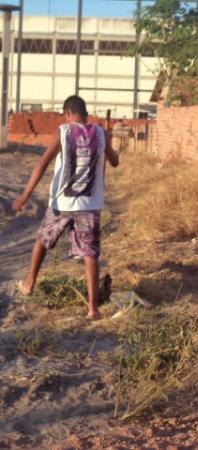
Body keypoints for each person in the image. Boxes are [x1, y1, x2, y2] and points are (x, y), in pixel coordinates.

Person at [12, 95, 119, 319]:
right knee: (90, 254)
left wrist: (24, 195)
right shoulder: (100, 133)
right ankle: (92, 309)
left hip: (62, 203)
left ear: (67, 113)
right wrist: (109, 148)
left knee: (43, 240)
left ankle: (29, 282)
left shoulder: (63, 131)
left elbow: (43, 163)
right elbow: (115, 161)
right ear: (85, 112)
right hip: (90, 205)